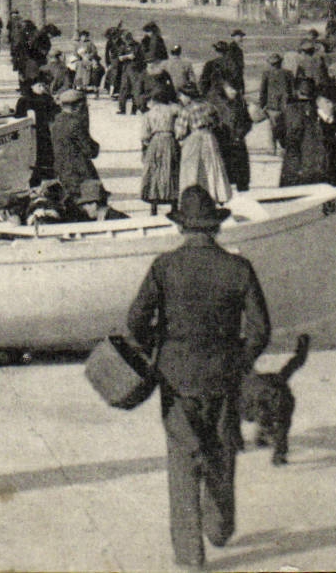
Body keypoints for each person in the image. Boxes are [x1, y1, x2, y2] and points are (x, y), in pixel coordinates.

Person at [127, 185, 270, 572]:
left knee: (184, 462)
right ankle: (220, 528)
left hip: (176, 377)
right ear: (216, 228)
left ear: (182, 228)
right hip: (223, 376)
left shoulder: (164, 267)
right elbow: (260, 330)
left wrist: (154, 346)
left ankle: (190, 556)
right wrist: (240, 361)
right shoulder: (238, 268)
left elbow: (135, 320)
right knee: (222, 452)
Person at [284, 94, 336, 187]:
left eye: (334, 102)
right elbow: (292, 149)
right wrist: (300, 172)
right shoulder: (305, 123)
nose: (331, 106)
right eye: (327, 102)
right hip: (312, 181)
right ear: (318, 103)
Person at [176, 85, 231, 204]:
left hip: (194, 139)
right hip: (210, 138)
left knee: (194, 170)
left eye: (182, 96)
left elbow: (180, 132)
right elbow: (218, 123)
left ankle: (195, 199)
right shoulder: (209, 106)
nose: (181, 98)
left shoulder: (186, 110)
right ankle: (216, 195)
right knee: (212, 166)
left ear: (188, 96)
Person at [141, 88, 183, 220]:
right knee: (172, 170)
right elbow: (180, 128)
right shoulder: (174, 110)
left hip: (155, 142)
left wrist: (145, 146)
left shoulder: (149, 114)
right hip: (170, 141)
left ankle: (154, 203)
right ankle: (173, 202)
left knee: (154, 171)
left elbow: (145, 135)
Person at [50, 88, 101, 196]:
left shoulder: (56, 121)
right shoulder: (76, 124)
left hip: (62, 170)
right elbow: (90, 151)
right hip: (79, 173)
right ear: (78, 106)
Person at [14, 79, 59, 186]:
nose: (41, 88)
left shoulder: (46, 98)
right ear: (31, 87)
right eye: (38, 85)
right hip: (33, 132)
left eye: (42, 85)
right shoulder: (25, 100)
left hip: (43, 132)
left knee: (42, 156)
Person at [257, 52, 292, 156]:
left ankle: (273, 148)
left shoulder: (267, 73)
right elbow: (292, 89)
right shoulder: (288, 73)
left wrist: (262, 104)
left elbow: (263, 90)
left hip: (272, 104)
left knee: (273, 127)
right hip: (285, 104)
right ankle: (283, 148)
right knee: (284, 126)